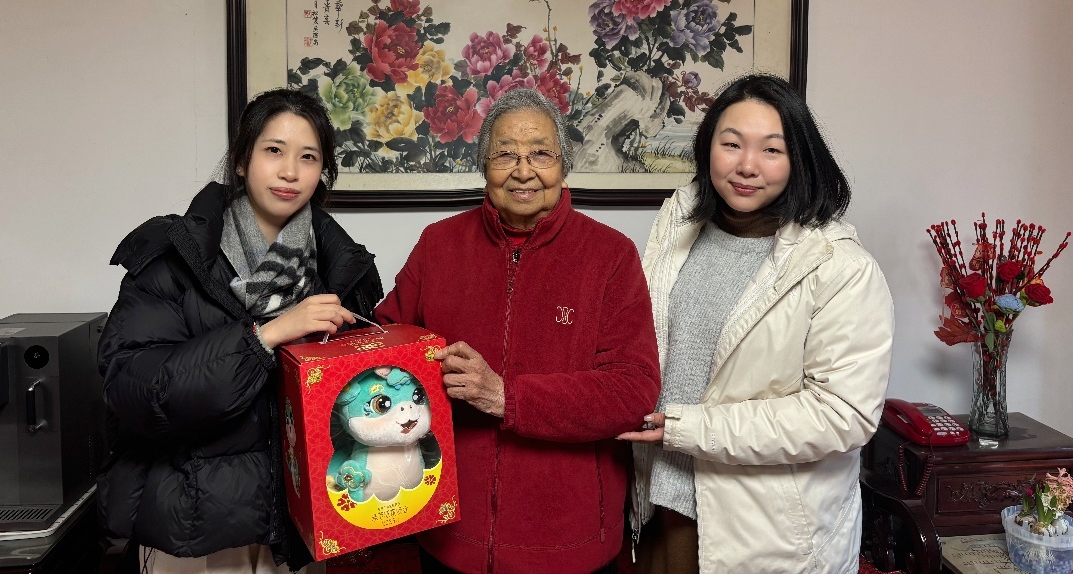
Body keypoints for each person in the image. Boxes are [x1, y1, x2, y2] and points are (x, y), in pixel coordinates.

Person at [375, 88, 661, 574]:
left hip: (569, 543)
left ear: (564, 166)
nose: (523, 171)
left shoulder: (611, 255)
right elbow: (387, 342)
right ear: (484, 166)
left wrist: (507, 397)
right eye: (505, 154)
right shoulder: (439, 244)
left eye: (541, 154)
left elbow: (633, 390)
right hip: (449, 531)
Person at [97, 88, 383, 574]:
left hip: (302, 524)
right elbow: (135, 390)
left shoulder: (343, 271)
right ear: (241, 161)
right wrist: (265, 337)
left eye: (308, 157)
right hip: (195, 526)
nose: (290, 171)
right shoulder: (174, 256)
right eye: (274, 151)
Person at [619, 73, 894, 574]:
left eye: (771, 150)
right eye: (731, 144)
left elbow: (843, 414)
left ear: (800, 158)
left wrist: (689, 428)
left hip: (763, 529)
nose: (747, 166)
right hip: (659, 499)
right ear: (707, 148)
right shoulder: (677, 227)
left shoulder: (839, 267)